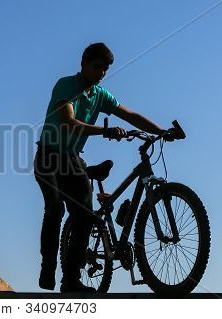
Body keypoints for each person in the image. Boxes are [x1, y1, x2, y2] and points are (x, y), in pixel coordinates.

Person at [34, 42, 175, 293]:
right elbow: (68, 121)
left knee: (84, 217)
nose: (101, 73)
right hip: (49, 157)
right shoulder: (66, 85)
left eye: (106, 69)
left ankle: (71, 280)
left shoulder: (100, 95)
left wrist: (161, 131)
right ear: (84, 64)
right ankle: (48, 266)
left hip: (72, 159)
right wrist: (105, 131)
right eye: (97, 67)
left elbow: (130, 114)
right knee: (54, 208)